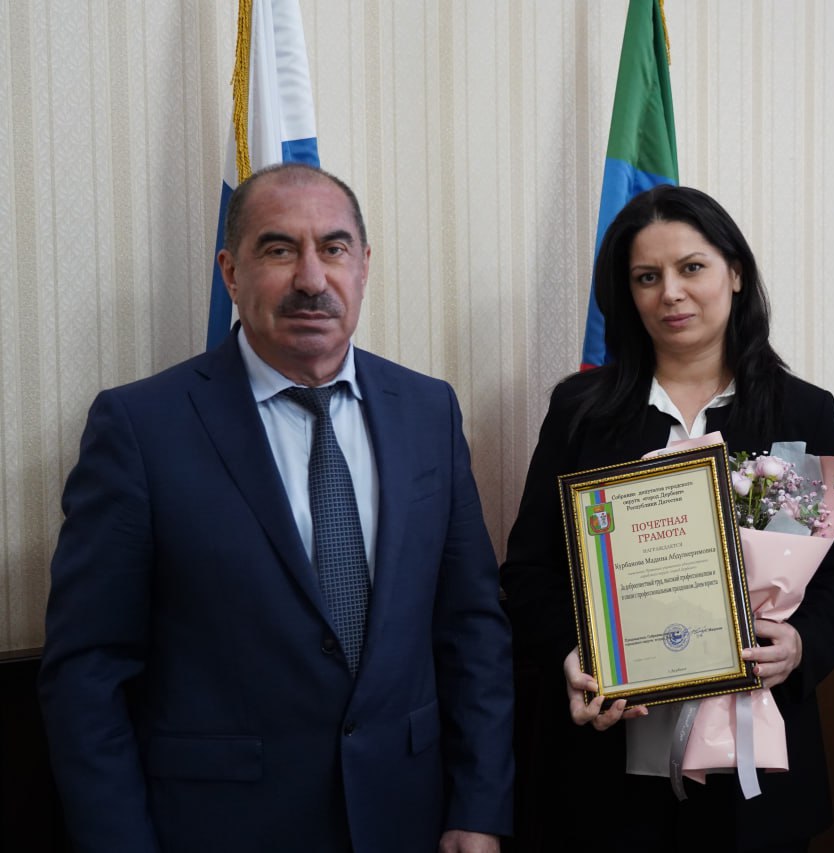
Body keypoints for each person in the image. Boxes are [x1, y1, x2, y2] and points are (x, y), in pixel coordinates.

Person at [38, 163, 513, 853]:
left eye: (334, 248)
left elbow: (472, 627)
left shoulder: (428, 409)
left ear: (364, 266)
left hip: (407, 817)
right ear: (231, 273)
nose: (312, 279)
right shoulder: (141, 427)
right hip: (219, 829)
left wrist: (479, 807)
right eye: (280, 249)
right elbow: (89, 671)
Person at [500, 185, 834, 851]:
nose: (670, 292)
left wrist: (801, 645)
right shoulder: (581, 412)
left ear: (736, 272)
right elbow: (530, 571)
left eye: (691, 267)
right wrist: (572, 654)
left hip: (754, 773)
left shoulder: (800, 411)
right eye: (647, 276)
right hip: (607, 770)